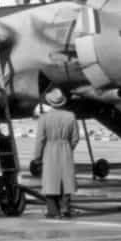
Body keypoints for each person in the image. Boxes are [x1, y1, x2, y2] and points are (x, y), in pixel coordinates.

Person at [33, 88, 80, 218]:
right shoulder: (71, 116)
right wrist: (68, 148)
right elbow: (75, 138)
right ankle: (65, 207)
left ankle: (53, 211)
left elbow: (40, 140)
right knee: (66, 180)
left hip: (50, 149)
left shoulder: (44, 118)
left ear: (50, 102)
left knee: (50, 181)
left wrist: (37, 156)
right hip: (66, 148)